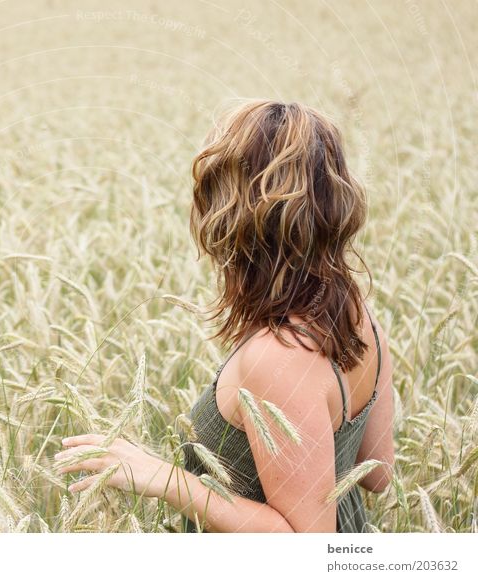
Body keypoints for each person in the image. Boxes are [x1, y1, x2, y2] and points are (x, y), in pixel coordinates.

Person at [55, 100, 395, 533]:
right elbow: (378, 473)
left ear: (233, 214)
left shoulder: (278, 357)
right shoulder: (358, 317)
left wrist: (164, 478)